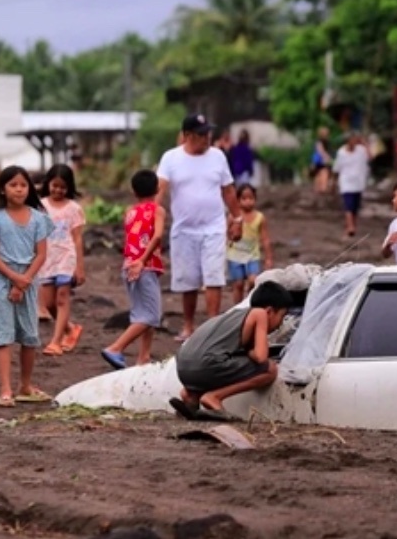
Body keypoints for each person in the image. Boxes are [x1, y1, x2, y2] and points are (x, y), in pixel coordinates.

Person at [157, 114, 244, 341]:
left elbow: (228, 190)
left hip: (214, 227)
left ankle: (211, 327)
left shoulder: (218, 156)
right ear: (187, 135)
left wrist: (237, 219)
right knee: (188, 280)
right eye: (201, 134)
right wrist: (150, 216)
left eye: (208, 133)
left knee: (214, 277)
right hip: (184, 229)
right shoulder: (171, 158)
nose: (207, 137)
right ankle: (188, 326)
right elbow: (160, 189)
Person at [0, 166, 53, 408]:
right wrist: (14, 278)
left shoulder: (39, 219)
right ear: (3, 189)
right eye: (13, 185)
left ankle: (25, 386)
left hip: (29, 281)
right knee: (4, 336)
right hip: (2, 280)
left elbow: (41, 254)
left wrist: (24, 280)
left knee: (29, 336)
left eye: (23, 185)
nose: (19, 189)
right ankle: (5, 389)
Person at [169, 281, 293, 416]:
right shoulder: (260, 314)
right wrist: (251, 352)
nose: (281, 324)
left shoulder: (233, 316)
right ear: (269, 311)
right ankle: (214, 397)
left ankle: (191, 396)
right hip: (205, 365)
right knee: (270, 370)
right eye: (282, 316)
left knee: (223, 361)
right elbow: (261, 356)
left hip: (183, 368)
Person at [101, 170, 166, 369]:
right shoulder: (158, 210)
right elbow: (157, 236)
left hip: (129, 265)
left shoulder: (130, 211)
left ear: (133, 191)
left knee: (142, 312)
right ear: (157, 189)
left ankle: (144, 357)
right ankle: (116, 348)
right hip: (144, 266)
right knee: (151, 315)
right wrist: (143, 260)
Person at [37, 164, 86, 356]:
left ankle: (55, 342)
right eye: (55, 186)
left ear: (69, 187)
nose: (58, 190)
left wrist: (79, 267)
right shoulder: (40, 207)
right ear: (48, 184)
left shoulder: (74, 209)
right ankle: (71, 329)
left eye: (63, 187)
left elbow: (77, 238)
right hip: (47, 259)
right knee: (49, 303)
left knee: (62, 298)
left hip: (66, 258)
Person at [227, 184, 273, 305]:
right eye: (244, 198)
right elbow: (226, 235)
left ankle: (249, 303)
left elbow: (265, 238)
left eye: (251, 198)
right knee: (238, 284)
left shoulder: (260, 218)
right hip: (235, 255)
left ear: (255, 199)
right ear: (238, 200)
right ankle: (237, 308)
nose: (248, 202)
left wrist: (268, 258)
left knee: (253, 281)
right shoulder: (233, 217)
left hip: (252, 256)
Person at [332, 132, 371, 238]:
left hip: (358, 182)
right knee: (348, 205)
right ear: (347, 141)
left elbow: (370, 157)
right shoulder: (341, 152)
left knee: (355, 207)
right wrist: (334, 182)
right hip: (346, 182)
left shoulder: (361, 150)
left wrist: (365, 144)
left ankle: (352, 225)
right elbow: (337, 168)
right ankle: (350, 226)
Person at [311, 127, 333, 194]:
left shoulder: (325, 142)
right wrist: (328, 158)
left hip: (319, 161)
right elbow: (321, 151)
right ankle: (322, 188)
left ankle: (319, 189)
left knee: (320, 174)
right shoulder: (319, 142)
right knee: (323, 173)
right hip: (322, 161)